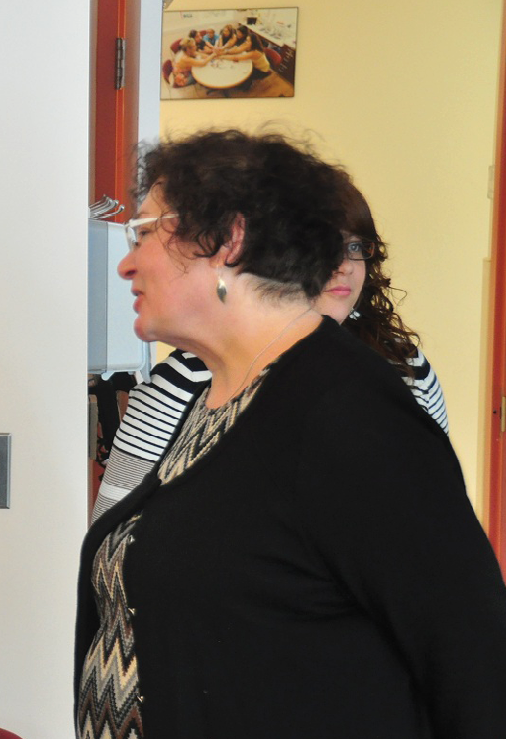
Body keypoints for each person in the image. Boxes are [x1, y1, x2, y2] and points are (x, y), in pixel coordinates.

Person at [77, 129, 506, 739]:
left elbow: (464, 621)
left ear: (229, 242)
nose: (127, 260)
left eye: (146, 231)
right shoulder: (210, 396)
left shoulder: (346, 416)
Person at [91, 180, 449, 521]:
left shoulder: (404, 367)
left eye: (356, 247)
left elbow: (441, 510)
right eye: (322, 247)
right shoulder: (187, 379)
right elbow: (111, 528)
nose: (343, 265)